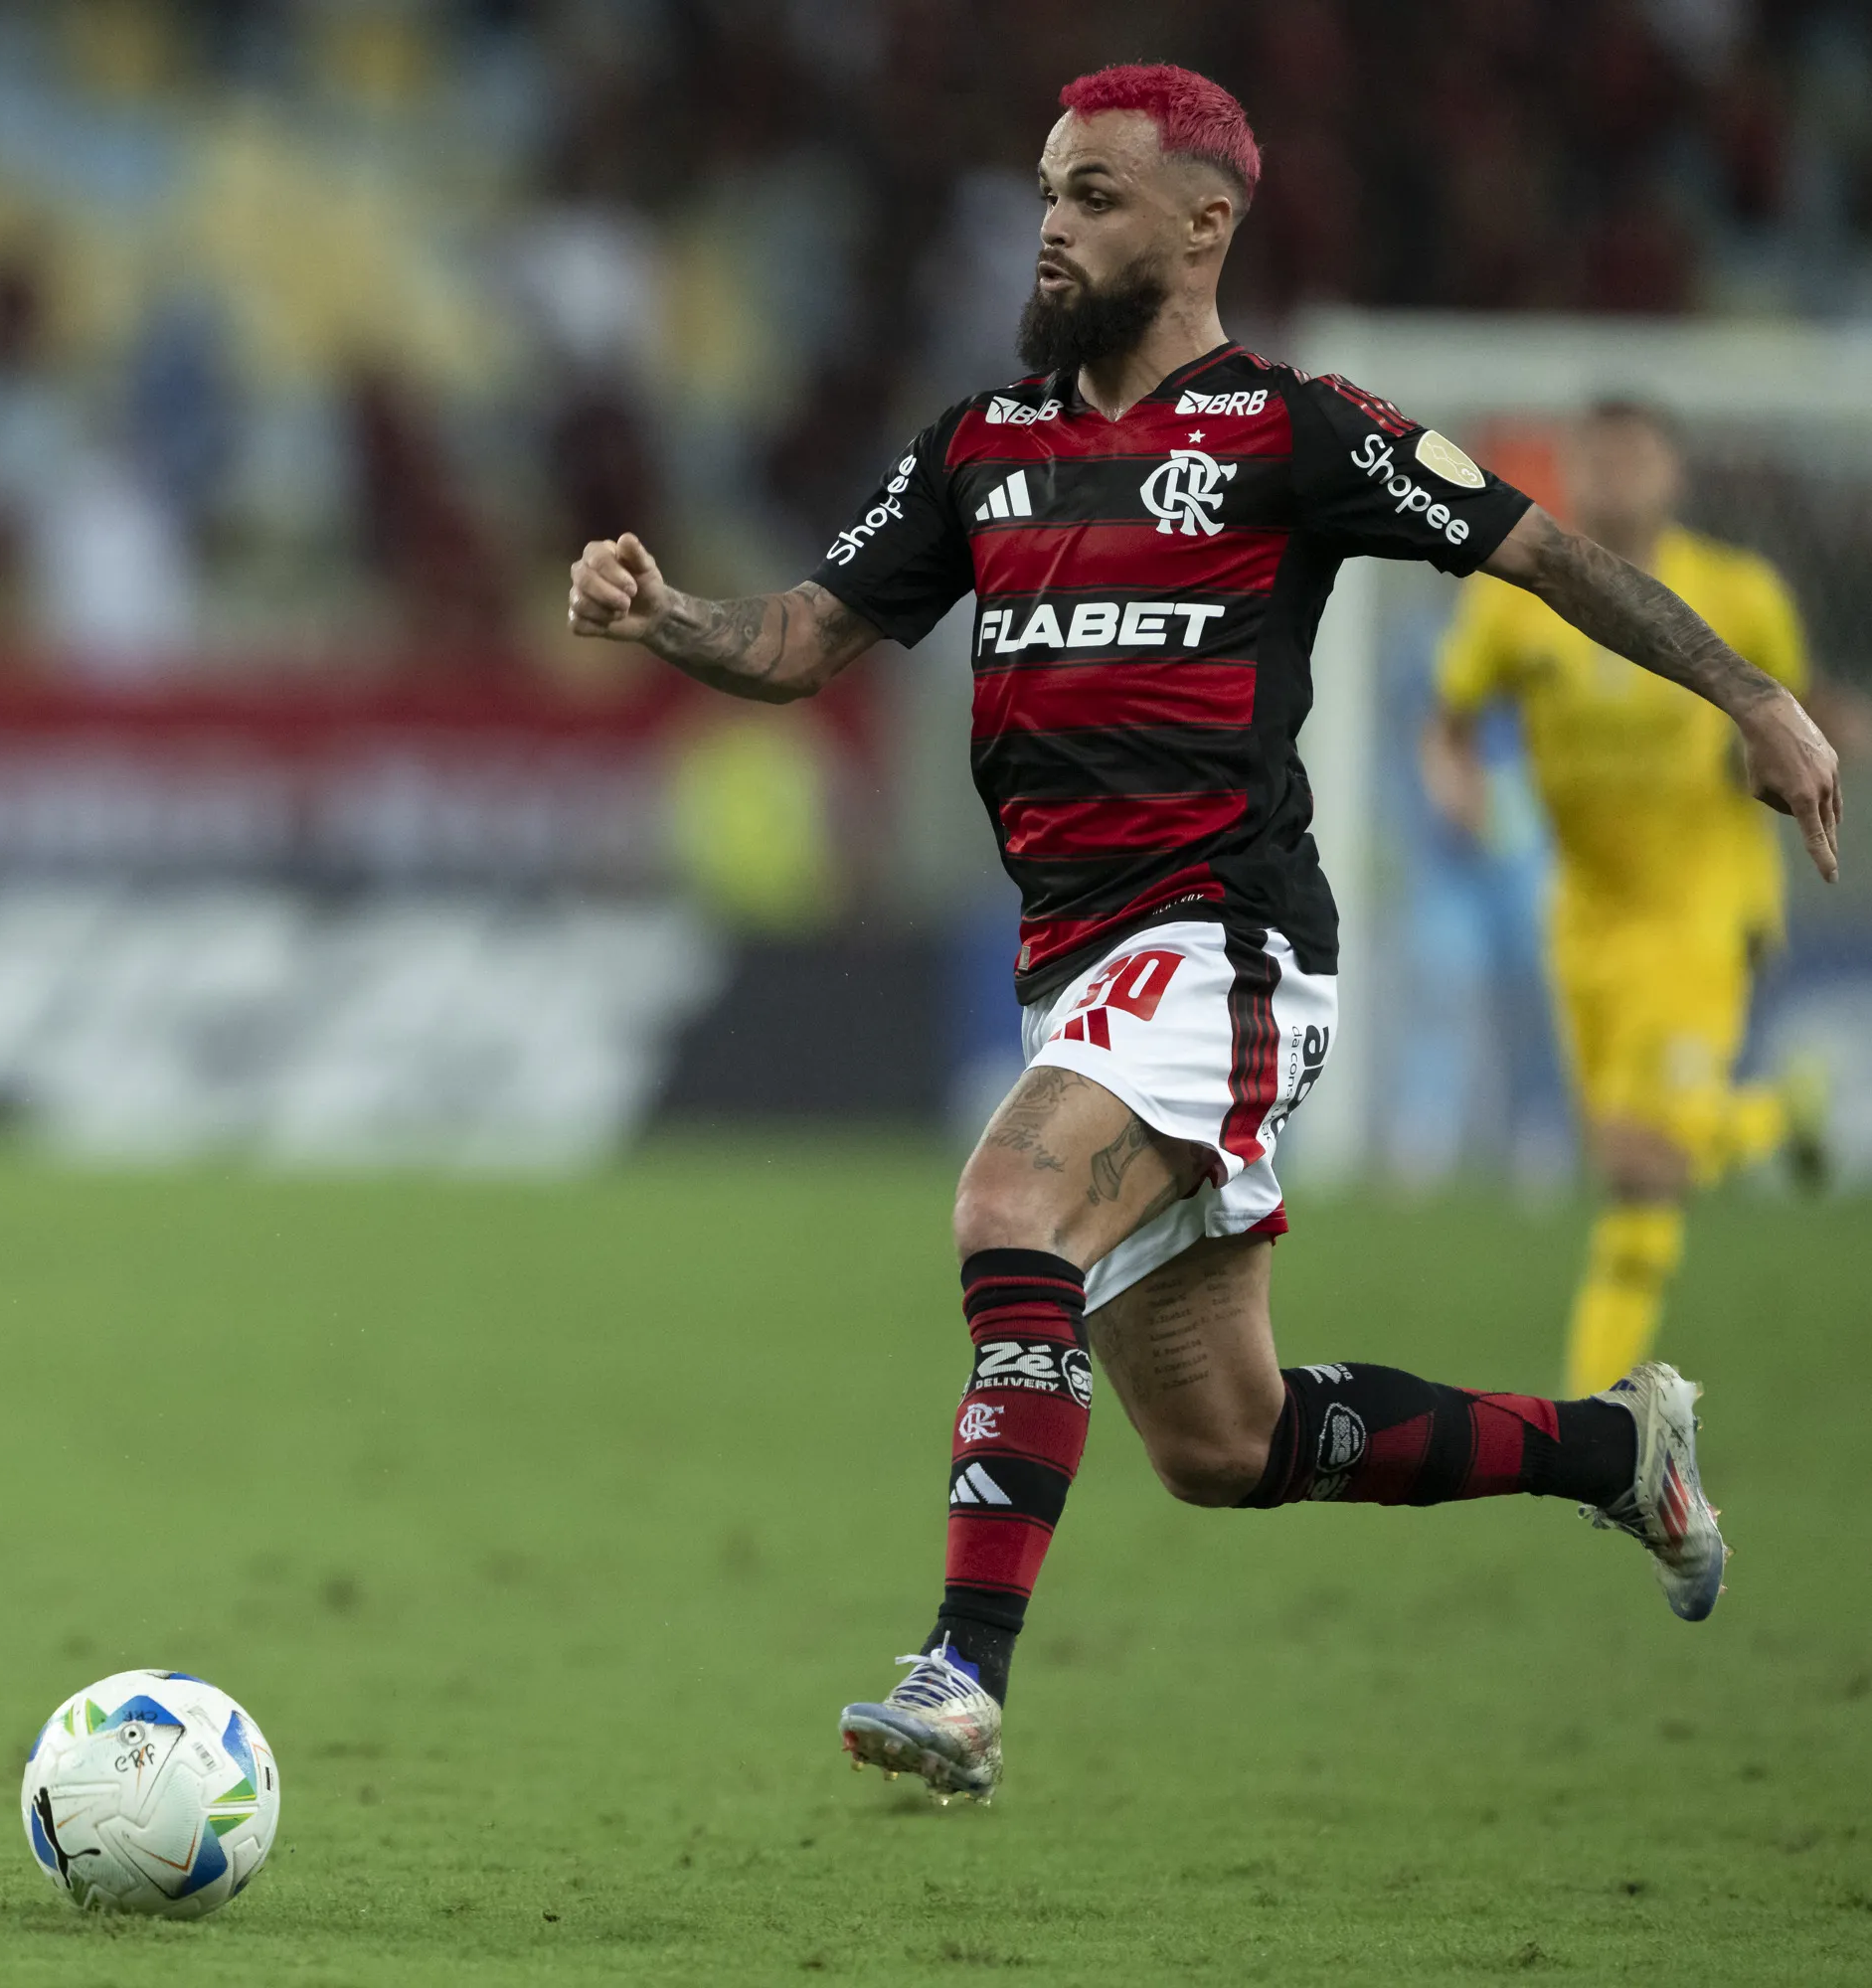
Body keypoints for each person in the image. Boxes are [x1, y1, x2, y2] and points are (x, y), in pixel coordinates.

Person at [564, 64, 1841, 1802]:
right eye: (1048, 190)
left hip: (1225, 945)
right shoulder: (981, 448)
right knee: (1225, 1445)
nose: (1053, 224)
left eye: (1094, 194)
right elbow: (800, 641)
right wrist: (667, 619)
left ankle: (961, 1676)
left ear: (1203, 223)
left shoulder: (1294, 431)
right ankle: (1620, 1452)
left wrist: (1752, 693)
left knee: (1009, 1203)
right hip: (1078, 972)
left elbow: (1545, 557)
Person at [1426, 402, 1848, 1396]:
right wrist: (1458, 783)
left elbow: (1798, 707)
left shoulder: (1738, 594)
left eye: (1636, 455)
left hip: (1706, 896)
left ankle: (1592, 1410)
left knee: (1642, 1157)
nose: (1615, 474)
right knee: (1629, 1164)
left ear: (1675, 473)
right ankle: (1783, 1115)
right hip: (1587, 908)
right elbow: (1449, 723)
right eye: (1597, 456)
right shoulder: (1509, 601)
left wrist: (1828, 745)